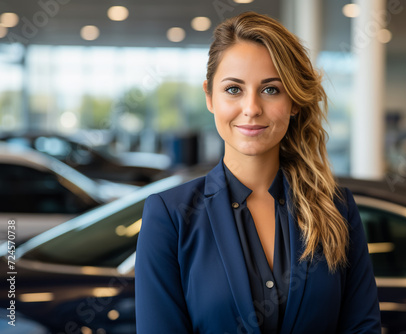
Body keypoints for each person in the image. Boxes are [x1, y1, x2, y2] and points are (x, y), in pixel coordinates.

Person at [135, 12, 380, 334]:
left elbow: (361, 328)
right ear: (210, 96)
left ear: (294, 101)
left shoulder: (338, 209)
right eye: (234, 90)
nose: (251, 108)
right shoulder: (170, 217)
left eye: (271, 90)